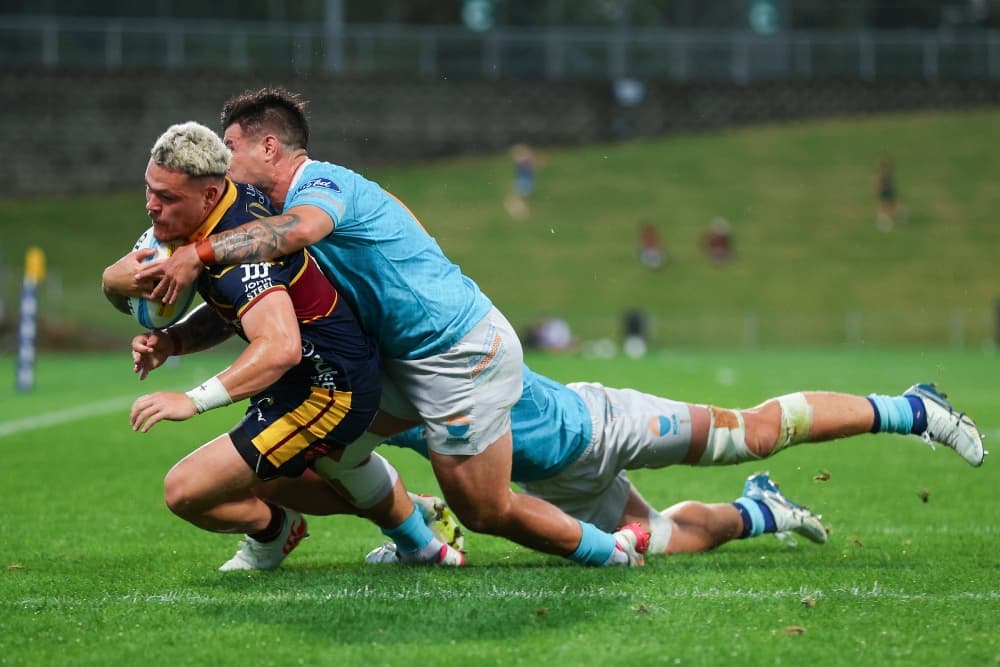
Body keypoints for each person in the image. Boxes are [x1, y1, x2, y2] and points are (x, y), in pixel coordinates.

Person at [136, 89, 648, 568]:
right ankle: (419, 543)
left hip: (455, 351)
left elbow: (304, 229)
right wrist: (174, 336)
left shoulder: (318, 184)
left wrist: (198, 254)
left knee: (484, 510)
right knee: (331, 456)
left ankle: (612, 549)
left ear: (269, 147)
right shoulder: (260, 217)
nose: (225, 162)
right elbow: (248, 298)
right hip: (397, 360)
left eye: (231, 146)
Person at [103, 121, 464, 570]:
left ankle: (278, 532)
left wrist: (191, 401)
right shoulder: (221, 211)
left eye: (168, 197)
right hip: (308, 378)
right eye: (150, 190)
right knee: (269, 480)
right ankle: (420, 537)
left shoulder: (239, 259)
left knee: (187, 491)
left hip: (328, 390)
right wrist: (173, 339)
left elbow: (279, 348)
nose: (152, 207)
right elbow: (229, 309)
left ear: (210, 196)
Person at [365, 366, 985, 560]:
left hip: (602, 423)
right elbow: (358, 473)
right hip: (554, 484)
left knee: (759, 433)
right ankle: (759, 510)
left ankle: (912, 410)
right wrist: (414, 526)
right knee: (656, 540)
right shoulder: (347, 402)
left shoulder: (424, 343)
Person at [503, 143, 541, 219]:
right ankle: (521, 211)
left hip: (524, 181)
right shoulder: (525, 162)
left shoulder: (525, 162)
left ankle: (520, 211)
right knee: (520, 197)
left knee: (519, 197)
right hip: (524, 181)